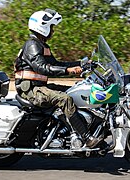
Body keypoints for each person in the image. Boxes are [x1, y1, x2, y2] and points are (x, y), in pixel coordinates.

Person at [14, 8, 99, 148]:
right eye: (51, 27)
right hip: (30, 90)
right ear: (42, 27)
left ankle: (70, 128)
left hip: (39, 87)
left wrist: (82, 64)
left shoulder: (42, 45)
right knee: (64, 99)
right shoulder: (32, 45)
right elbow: (42, 68)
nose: (53, 31)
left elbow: (56, 64)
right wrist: (68, 71)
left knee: (74, 90)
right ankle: (86, 137)